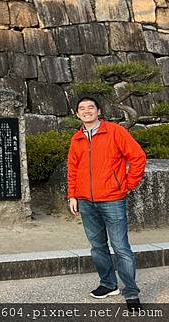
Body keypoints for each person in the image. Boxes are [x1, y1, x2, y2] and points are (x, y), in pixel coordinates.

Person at [67, 96, 146, 311]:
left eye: (90, 107)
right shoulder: (77, 139)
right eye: (82, 108)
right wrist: (72, 195)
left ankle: (131, 293)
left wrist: (127, 184)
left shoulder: (115, 132)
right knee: (98, 247)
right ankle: (108, 284)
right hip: (85, 201)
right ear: (77, 114)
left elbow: (138, 157)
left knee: (121, 248)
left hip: (112, 199)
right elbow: (73, 168)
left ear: (99, 111)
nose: (86, 111)